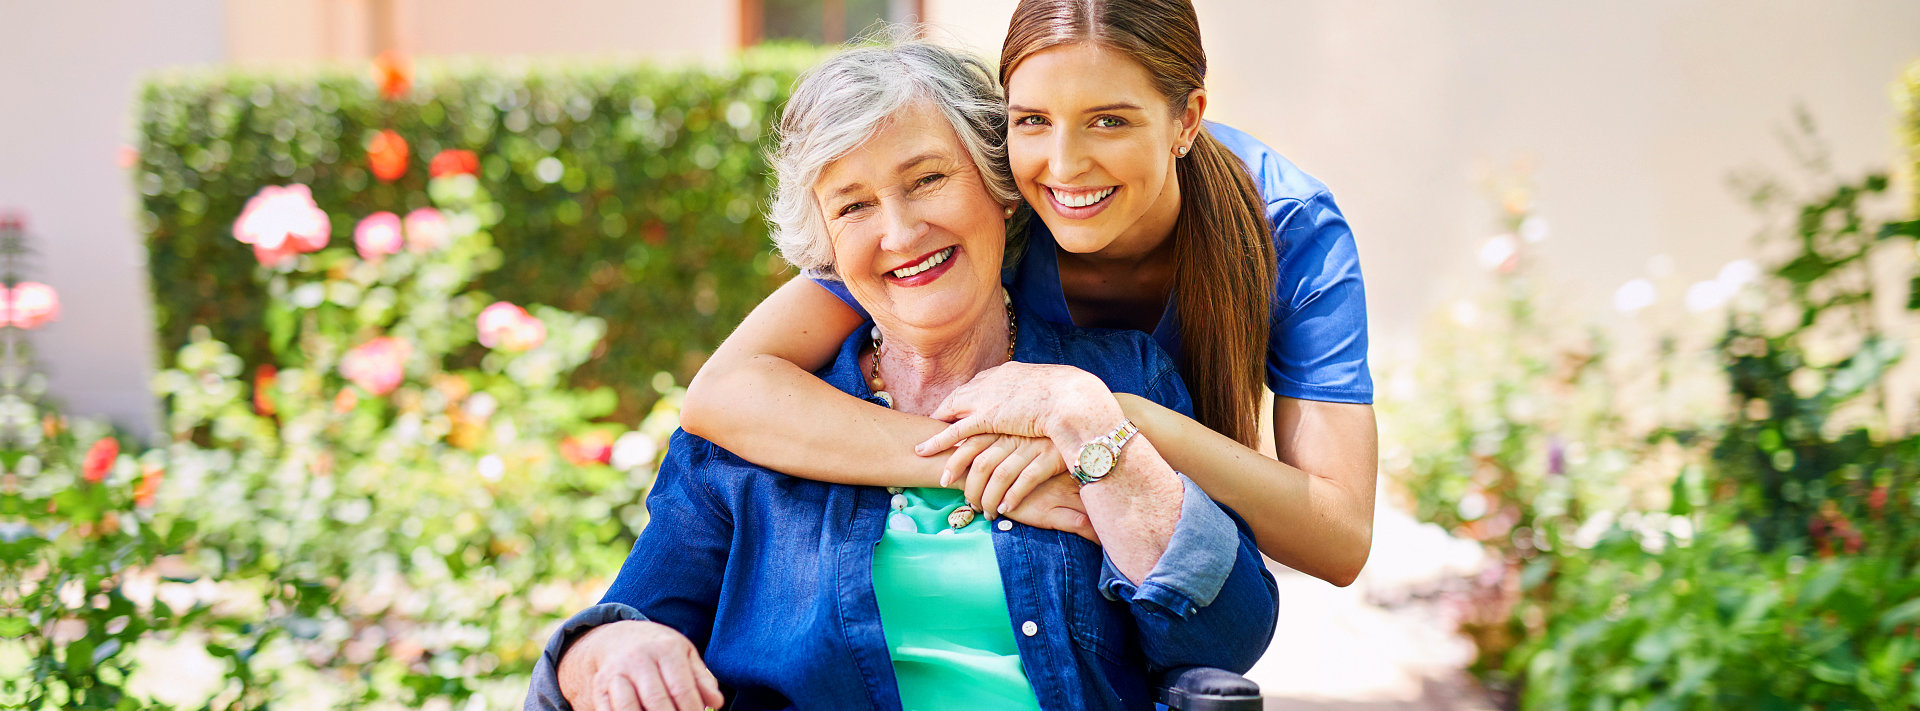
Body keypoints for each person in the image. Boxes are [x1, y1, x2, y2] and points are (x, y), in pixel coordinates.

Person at [524, 41, 1277, 711]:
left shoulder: (1118, 376)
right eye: (853, 205)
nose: (900, 231)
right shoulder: (748, 438)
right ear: (826, 245)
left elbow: (1230, 635)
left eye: (926, 180)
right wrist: (608, 652)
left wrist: (1088, 420)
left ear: (998, 184)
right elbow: (619, 628)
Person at [680, 0, 1378, 587]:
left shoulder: (1290, 228)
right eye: (1033, 119)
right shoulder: (989, 197)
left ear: (1187, 119)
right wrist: (962, 461)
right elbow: (725, 390)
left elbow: (1339, 537)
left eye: (1110, 120)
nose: (1065, 166)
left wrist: (1108, 420)